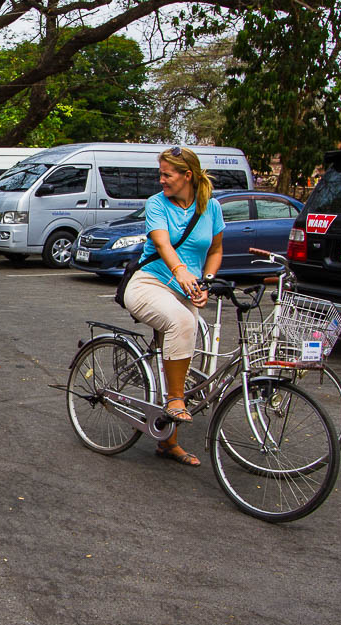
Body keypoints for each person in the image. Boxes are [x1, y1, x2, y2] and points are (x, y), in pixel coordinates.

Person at [123, 146, 225, 467]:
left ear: (187, 176)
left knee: (181, 354)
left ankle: (169, 442)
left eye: (167, 174)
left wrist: (205, 281)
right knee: (182, 323)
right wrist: (180, 270)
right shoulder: (156, 204)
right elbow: (163, 243)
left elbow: (216, 250)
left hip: (185, 292)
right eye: (161, 174)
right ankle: (175, 401)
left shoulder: (212, 208)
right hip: (149, 285)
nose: (161, 180)